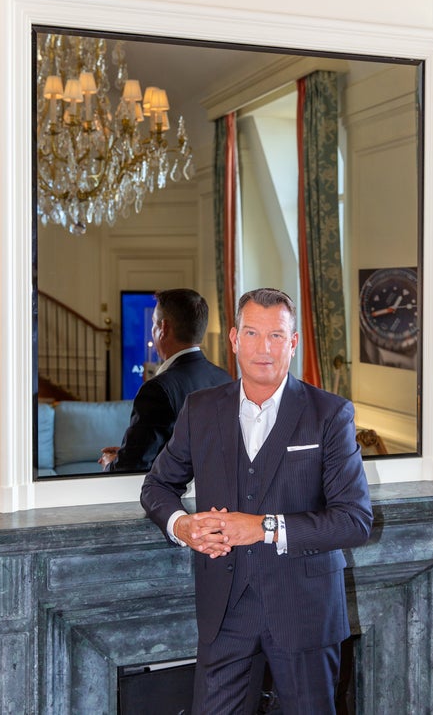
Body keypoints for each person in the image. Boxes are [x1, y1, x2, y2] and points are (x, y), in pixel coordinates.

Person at [141, 287, 373, 714]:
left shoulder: (330, 413)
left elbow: (354, 520)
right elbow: (156, 486)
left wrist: (264, 527)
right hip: (225, 610)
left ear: (293, 342)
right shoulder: (200, 409)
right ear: (234, 339)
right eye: (251, 333)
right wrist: (181, 526)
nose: (263, 348)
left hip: (304, 609)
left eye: (275, 335)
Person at [99, 288, 231, 472]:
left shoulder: (156, 390)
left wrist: (109, 464)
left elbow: (131, 467)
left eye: (154, 323)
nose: (152, 330)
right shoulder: (225, 379)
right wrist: (127, 452)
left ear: (164, 328)